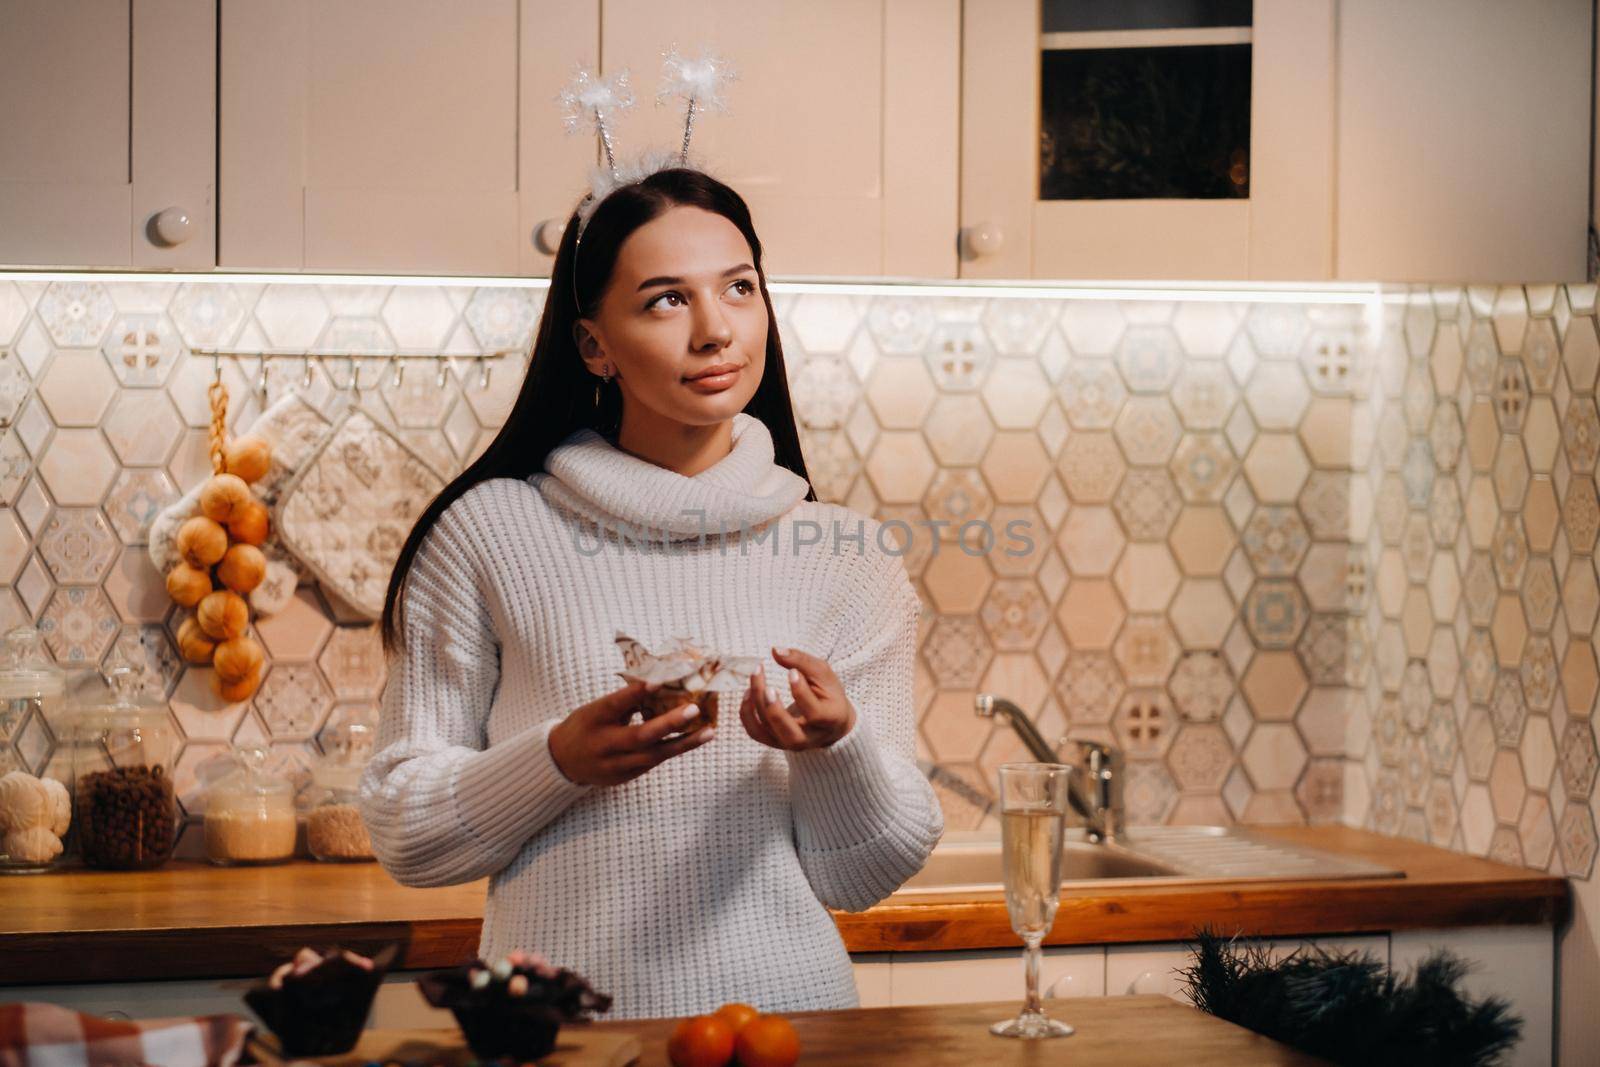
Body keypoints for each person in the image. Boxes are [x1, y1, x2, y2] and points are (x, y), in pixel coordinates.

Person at [359, 166, 943, 1019]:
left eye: (739, 288)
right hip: (560, 1035)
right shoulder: (489, 532)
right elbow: (405, 832)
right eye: (667, 300)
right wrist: (557, 760)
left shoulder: (846, 552)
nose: (716, 330)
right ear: (594, 344)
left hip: (789, 1026)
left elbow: (864, 877)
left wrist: (835, 746)